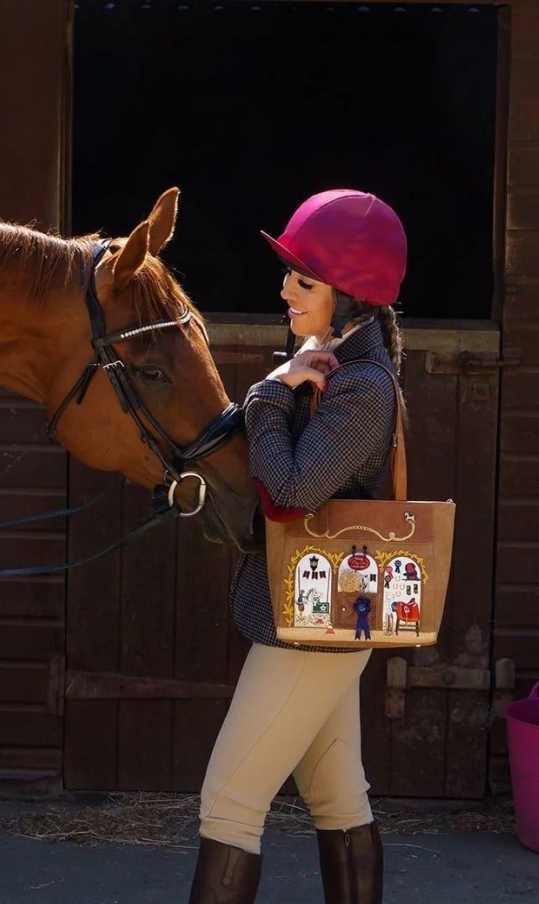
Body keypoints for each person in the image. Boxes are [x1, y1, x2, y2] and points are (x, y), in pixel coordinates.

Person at [187, 190, 407, 904]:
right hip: (320, 622)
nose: (284, 288)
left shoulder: (364, 388)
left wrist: (267, 396)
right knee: (340, 802)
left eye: (303, 280)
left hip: (310, 627)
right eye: (289, 273)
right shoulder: (329, 365)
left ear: (352, 300)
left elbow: (287, 495)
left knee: (229, 801)